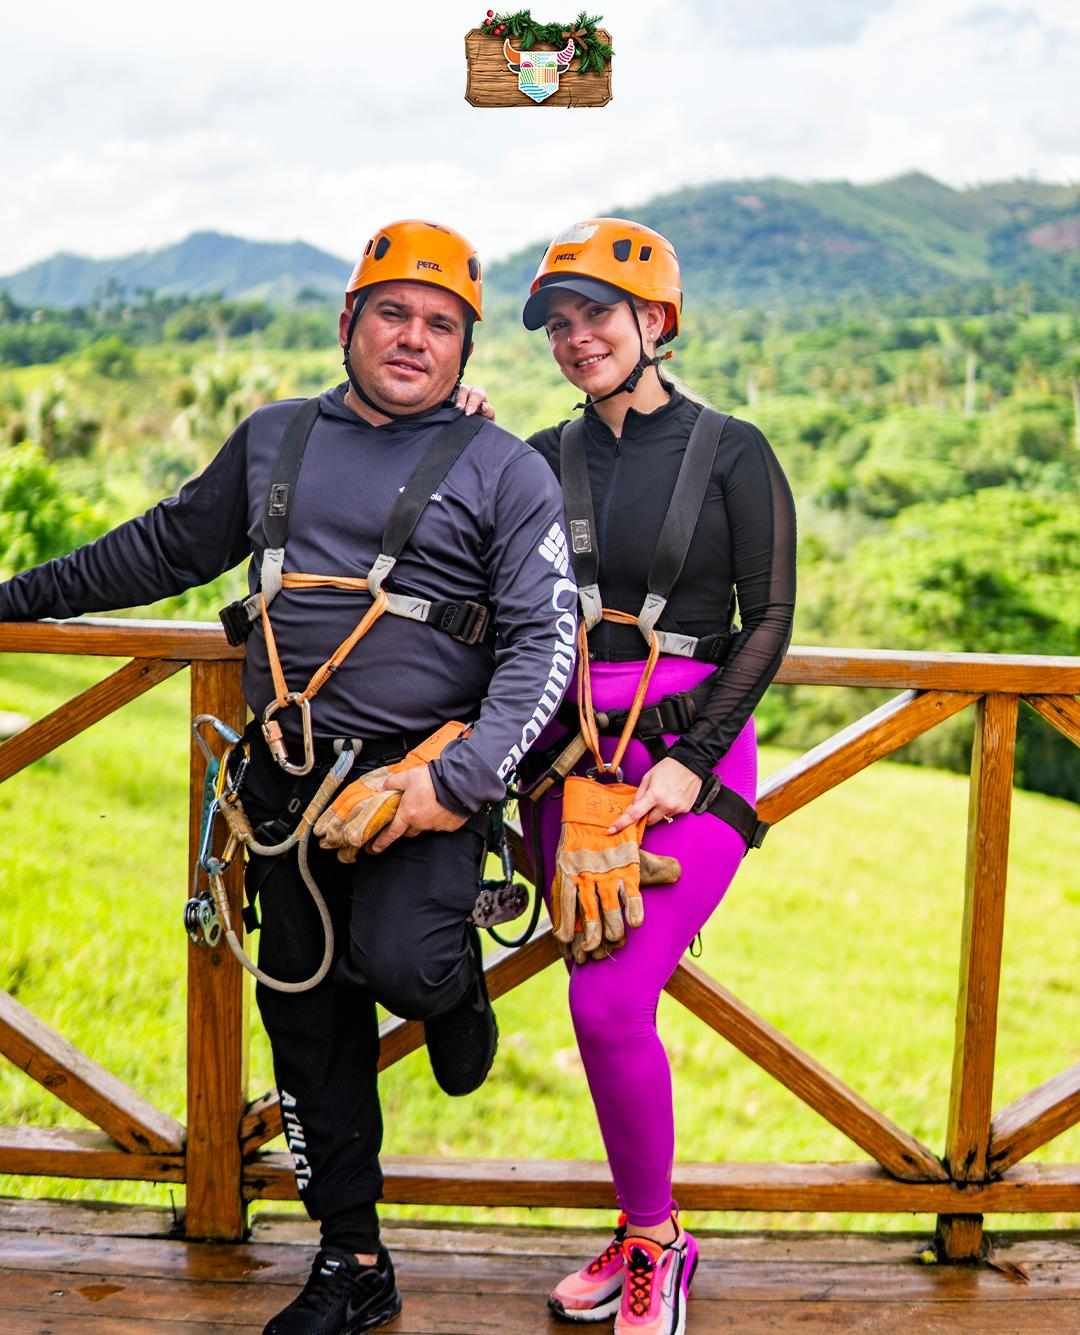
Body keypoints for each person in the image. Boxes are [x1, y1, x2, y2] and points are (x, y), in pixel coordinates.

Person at [0, 219, 577, 1335]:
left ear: (466, 351)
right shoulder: (274, 442)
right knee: (306, 1024)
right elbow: (160, 548)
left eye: (441, 325)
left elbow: (543, 647)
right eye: (393, 315)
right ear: (348, 322)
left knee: (403, 964)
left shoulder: (505, 468)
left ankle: (450, 991)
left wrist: (457, 784)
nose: (414, 339)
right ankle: (353, 1264)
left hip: (423, 781)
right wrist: (12, 597)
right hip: (288, 790)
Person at [512, 218, 796, 1333]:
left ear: (657, 323)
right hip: (566, 760)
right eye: (561, 323)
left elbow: (767, 621)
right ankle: (642, 1224)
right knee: (597, 998)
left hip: (691, 759)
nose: (579, 338)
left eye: (601, 316)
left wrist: (688, 760)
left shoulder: (733, 451)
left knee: (609, 997)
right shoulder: (537, 458)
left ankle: (657, 1245)